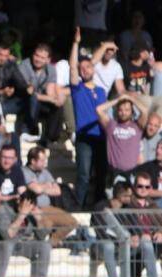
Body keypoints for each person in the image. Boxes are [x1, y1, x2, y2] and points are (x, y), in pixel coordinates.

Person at [70, 27, 108, 210]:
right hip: (85, 137)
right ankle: (78, 208)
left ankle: (98, 207)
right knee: (84, 174)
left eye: (88, 66)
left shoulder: (102, 91)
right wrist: (76, 43)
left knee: (100, 173)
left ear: (94, 68)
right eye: (81, 68)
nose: (85, 70)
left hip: (101, 137)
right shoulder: (78, 89)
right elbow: (72, 66)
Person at [0, 189, 52, 277]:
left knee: (45, 246)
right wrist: (22, 215)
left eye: (31, 206)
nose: (28, 209)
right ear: (18, 201)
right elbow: (7, 235)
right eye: (25, 205)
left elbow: (42, 236)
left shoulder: (33, 212)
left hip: (25, 244)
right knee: (7, 244)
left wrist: (39, 220)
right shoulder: (5, 209)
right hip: (7, 245)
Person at [123, 172, 162, 277]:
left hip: (151, 244)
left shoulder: (153, 205)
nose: (143, 189)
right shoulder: (128, 205)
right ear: (135, 187)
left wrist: (160, 232)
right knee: (145, 240)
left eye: (147, 187)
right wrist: (137, 235)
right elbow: (125, 227)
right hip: (133, 245)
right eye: (140, 186)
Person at [17, 44, 63, 145]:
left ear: (48, 60)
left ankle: (51, 137)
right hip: (23, 100)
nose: (38, 59)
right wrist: (50, 99)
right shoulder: (24, 66)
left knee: (59, 105)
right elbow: (29, 92)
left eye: (42, 58)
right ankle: (30, 130)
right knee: (33, 99)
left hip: (40, 101)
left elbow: (50, 92)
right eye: (36, 56)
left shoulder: (51, 69)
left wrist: (55, 100)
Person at [97, 93, 149, 179]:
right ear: (117, 111)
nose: (123, 113)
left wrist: (130, 98)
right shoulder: (111, 125)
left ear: (132, 111)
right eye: (120, 110)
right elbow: (99, 109)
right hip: (114, 171)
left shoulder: (137, 126)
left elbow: (145, 111)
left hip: (133, 171)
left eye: (127, 110)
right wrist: (118, 100)